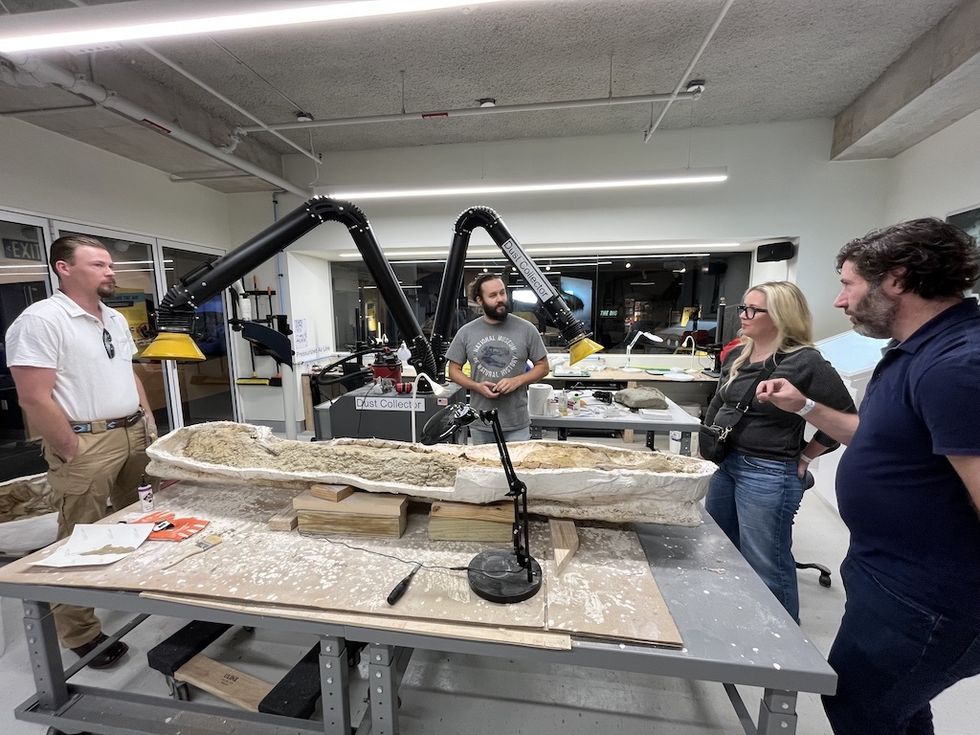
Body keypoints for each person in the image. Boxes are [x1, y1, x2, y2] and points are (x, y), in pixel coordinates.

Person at [756, 218, 980, 735]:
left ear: (896, 280)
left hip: (931, 597)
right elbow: (877, 440)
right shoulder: (914, 351)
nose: (840, 300)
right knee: (895, 707)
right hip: (890, 575)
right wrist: (806, 405)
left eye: (848, 284)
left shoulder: (958, 364)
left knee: (861, 708)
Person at [6, 234, 157, 670]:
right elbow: (33, 398)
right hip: (86, 442)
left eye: (110, 265)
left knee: (138, 517)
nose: (110, 271)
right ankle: (80, 632)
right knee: (80, 536)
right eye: (98, 265)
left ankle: (126, 582)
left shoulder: (112, 317)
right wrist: (71, 449)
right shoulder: (41, 321)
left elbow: (127, 374)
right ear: (63, 268)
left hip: (132, 434)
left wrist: (148, 424)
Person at [703, 281, 855, 622]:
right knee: (720, 546)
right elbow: (719, 401)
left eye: (753, 310)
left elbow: (846, 420)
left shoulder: (806, 362)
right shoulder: (738, 356)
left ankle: (783, 648)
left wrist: (806, 455)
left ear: (781, 316)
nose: (743, 315)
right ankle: (736, 618)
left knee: (766, 562)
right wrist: (709, 443)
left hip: (768, 471)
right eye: (744, 308)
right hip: (727, 465)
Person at [446, 274, 549, 444]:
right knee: (484, 469)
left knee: (516, 469)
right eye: (493, 295)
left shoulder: (527, 329)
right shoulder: (466, 332)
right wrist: (476, 386)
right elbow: (453, 370)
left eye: (502, 293)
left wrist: (517, 380)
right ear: (480, 301)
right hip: (481, 421)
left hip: (517, 422)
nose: (500, 299)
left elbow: (543, 367)